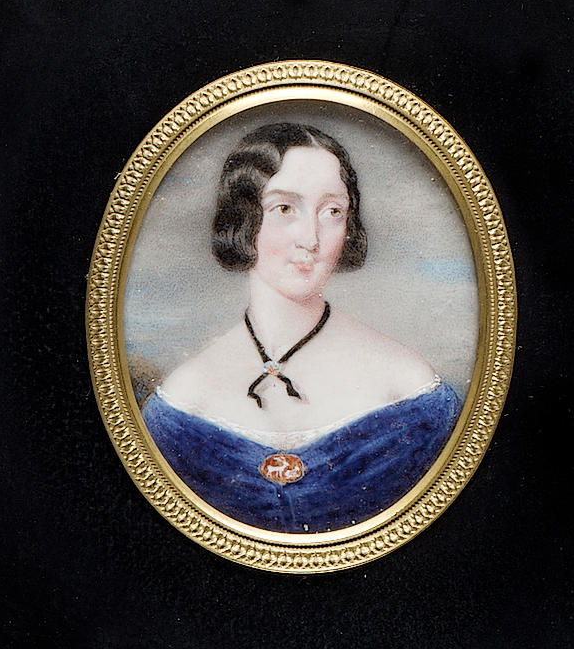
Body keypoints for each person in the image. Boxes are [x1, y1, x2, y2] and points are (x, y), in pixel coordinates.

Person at [141, 122, 462, 533]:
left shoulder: (409, 387)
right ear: (243, 219)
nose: (311, 239)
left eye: (332, 212)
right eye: (285, 209)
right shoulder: (183, 400)